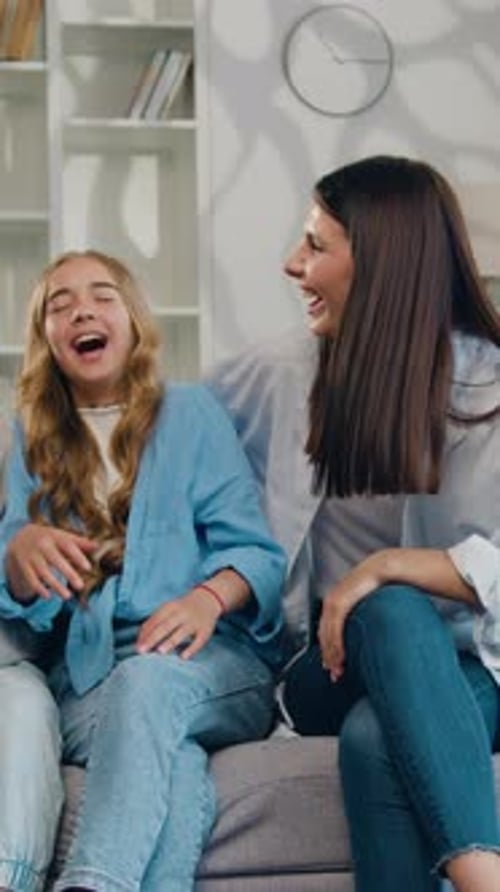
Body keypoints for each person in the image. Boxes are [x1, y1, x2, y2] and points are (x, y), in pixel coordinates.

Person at [211, 155, 500, 892]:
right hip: (326, 670)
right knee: (390, 612)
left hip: (474, 667)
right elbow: (168, 434)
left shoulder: (486, 386)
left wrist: (381, 567)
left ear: (379, 262)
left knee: (378, 736)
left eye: (315, 246)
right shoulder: (281, 375)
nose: (291, 264)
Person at [0, 249, 286, 892]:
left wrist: (208, 599)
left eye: (102, 295)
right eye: (60, 303)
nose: (82, 311)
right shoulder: (31, 438)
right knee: (174, 768)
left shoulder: (191, 412)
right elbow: (22, 596)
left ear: (132, 320)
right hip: (90, 678)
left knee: (149, 689)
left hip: (210, 661)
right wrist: (16, 560)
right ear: (46, 337)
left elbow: (260, 557)